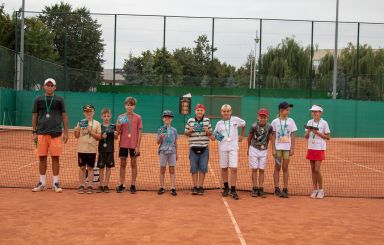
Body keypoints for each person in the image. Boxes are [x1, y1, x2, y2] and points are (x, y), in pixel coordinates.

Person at [32, 78, 68, 193]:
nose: (50, 87)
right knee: (42, 158)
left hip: (56, 134)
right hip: (41, 133)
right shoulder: (38, 99)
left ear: (55, 87)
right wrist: (34, 131)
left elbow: (64, 116)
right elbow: (35, 115)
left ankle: (56, 183)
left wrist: (66, 132)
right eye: (48, 85)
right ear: (44, 87)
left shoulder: (59, 99)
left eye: (52, 85)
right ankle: (42, 183)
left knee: (55, 158)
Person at [212, 104, 245, 200]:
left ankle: (233, 190)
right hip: (222, 148)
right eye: (224, 111)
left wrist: (242, 135)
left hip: (233, 148)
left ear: (231, 111)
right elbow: (214, 136)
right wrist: (220, 138)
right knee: (224, 168)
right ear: (221, 112)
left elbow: (244, 124)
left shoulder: (236, 120)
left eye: (228, 111)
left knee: (234, 168)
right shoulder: (219, 123)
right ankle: (226, 188)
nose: (226, 113)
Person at [116, 97, 143, 193]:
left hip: (133, 144)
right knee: (123, 163)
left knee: (133, 163)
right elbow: (118, 132)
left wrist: (138, 146)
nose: (129, 107)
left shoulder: (138, 117)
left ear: (134, 106)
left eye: (131, 105)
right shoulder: (121, 117)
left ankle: (133, 184)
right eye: (128, 105)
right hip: (123, 143)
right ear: (125, 106)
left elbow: (139, 132)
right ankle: (122, 184)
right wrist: (117, 128)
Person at [271, 102, 297, 198]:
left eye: (288, 110)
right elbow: (273, 136)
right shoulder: (275, 122)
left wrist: (292, 148)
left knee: (285, 167)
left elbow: (292, 135)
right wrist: (273, 148)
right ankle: (277, 188)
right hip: (278, 149)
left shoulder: (291, 121)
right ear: (281, 110)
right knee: (277, 167)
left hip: (286, 149)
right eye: (287, 110)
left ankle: (285, 189)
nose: (288, 111)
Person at [74, 105, 102, 194]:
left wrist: (90, 132)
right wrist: (76, 131)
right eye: (86, 112)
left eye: (90, 111)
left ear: (93, 112)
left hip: (91, 150)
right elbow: (77, 136)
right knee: (82, 167)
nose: (88, 113)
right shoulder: (80, 122)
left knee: (90, 168)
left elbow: (99, 137)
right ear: (84, 113)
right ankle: (81, 185)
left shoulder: (97, 123)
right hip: (81, 149)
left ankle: (90, 185)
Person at [185, 104, 212, 195]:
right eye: (198, 110)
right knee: (194, 168)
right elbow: (186, 133)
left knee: (203, 168)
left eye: (201, 110)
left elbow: (210, 134)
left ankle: (200, 187)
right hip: (193, 148)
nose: (199, 111)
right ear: (195, 111)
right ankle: (195, 187)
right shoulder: (190, 121)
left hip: (204, 148)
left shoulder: (207, 120)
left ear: (204, 111)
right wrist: (191, 130)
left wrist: (207, 131)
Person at [305, 105, 331, 199]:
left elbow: (328, 137)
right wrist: (308, 131)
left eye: (316, 111)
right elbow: (306, 137)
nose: (314, 113)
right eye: (313, 111)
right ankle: (315, 189)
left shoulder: (324, 123)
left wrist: (317, 133)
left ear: (320, 113)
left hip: (319, 148)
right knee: (312, 169)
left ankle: (321, 190)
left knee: (317, 169)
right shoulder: (309, 122)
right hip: (311, 147)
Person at [247, 108, 273, 197]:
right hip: (253, 149)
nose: (262, 118)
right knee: (254, 169)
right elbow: (249, 137)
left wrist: (265, 146)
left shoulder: (270, 127)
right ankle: (254, 188)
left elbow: (269, 137)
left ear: (267, 117)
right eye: (261, 116)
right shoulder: (254, 126)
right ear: (258, 117)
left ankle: (261, 188)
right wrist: (248, 148)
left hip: (263, 150)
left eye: (264, 117)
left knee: (262, 170)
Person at [96, 108, 119, 193]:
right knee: (101, 168)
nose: (106, 117)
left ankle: (106, 185)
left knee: (108, 168)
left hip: (110, 150)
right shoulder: (99, 126)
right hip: (101, 150)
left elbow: (116, 138)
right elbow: (97, 138)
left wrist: (116, 135)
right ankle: (101, 185)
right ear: (101, 116)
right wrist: (102, 136)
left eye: (108, 116)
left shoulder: (113, 126)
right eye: (104, 116)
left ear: (110, 116)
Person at [157, 110, 178, 196]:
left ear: (171, 119)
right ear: (163, 118)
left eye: (169, 117)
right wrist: (161, 137)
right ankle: (162, 187)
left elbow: (176, 142)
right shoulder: (160, 129)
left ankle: (172, 187)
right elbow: (158, 142)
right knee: (162, 169)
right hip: (163, 151)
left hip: (172, 151)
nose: (167, 118)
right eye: (165, 117)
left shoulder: (174, 130)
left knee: (172, 169)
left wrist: (177, 153)